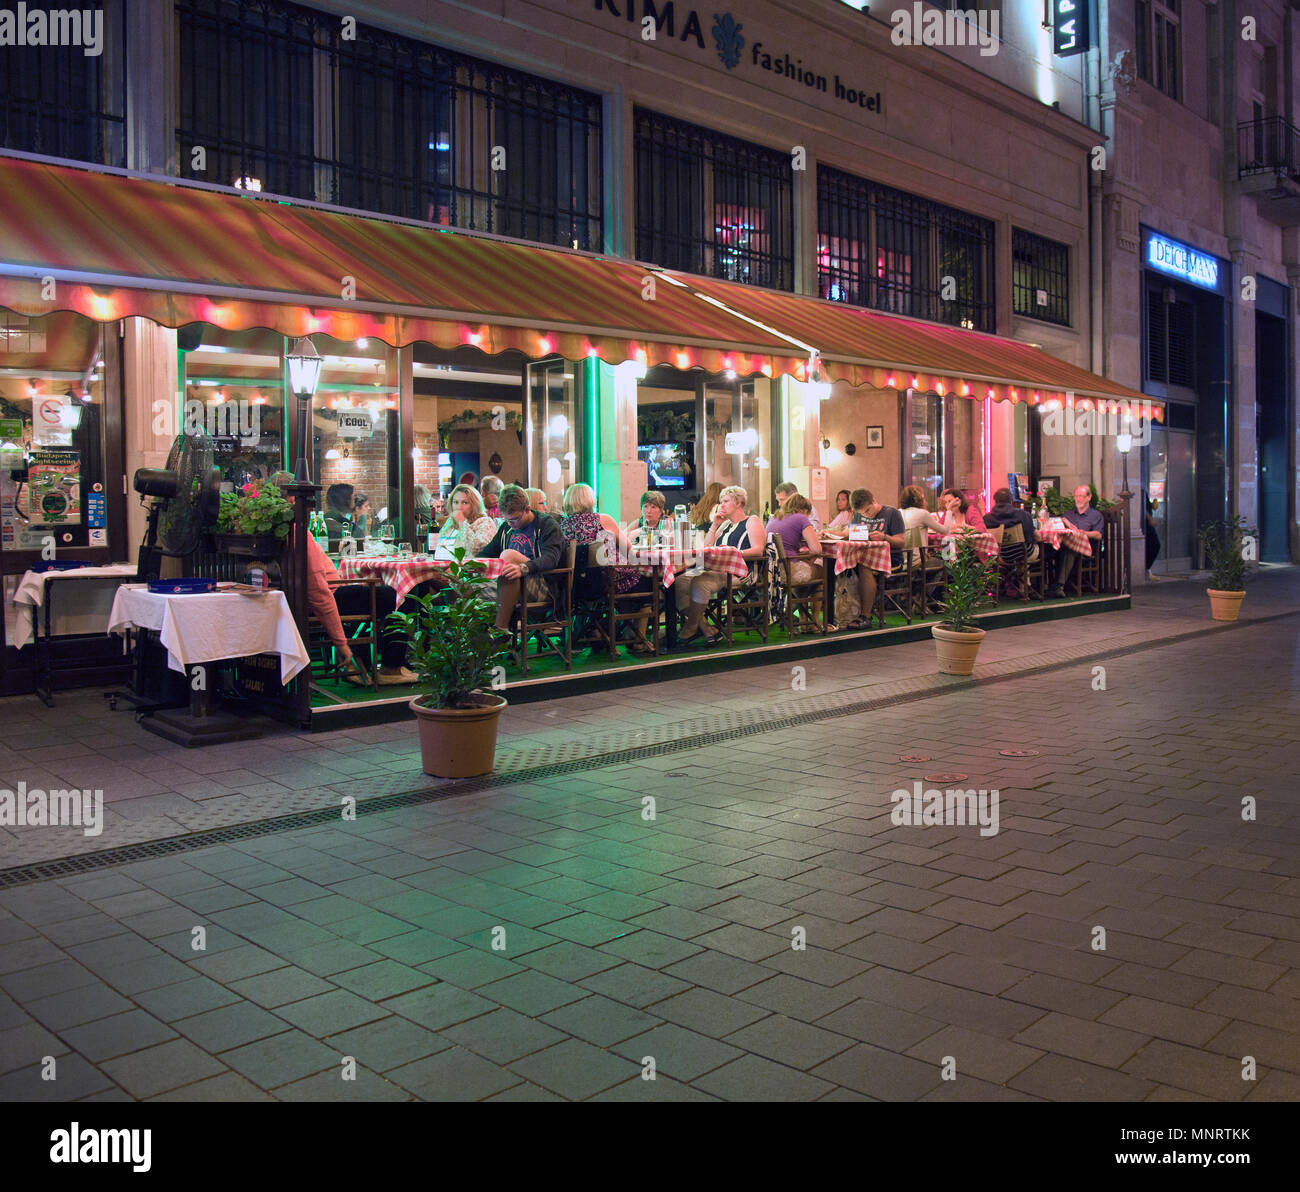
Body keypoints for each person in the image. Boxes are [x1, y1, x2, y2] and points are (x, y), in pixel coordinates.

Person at [270, 473, 416, 685]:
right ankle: (392, 666)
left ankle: (366, 660)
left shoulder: (280, 530)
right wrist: (341, 643)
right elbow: (319, 593)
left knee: (379, 593)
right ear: (293, 499)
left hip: (317, 596)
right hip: (331, 595)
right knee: (401, 595)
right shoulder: (297, 533)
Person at [559, 483, 655, 656]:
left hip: (575, 587)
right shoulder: (602, 519)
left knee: (628, 583)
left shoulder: (562, 525)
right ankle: (636, 638)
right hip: (605, 582)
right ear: (590, 500)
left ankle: (605, 632)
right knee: (646, 581)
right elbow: (629, 550)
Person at [675, 485, 766, 648]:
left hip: (741, 572)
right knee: (679, 581)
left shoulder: (751, 521)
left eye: (725, 501)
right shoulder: (725, 525)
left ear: (738, 503)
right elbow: (707, 547)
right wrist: (715, 524)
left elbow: (759, 550)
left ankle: (690, 628)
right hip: (717, 571)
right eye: (721, 502)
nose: (721, 505)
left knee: (699, 582)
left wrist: (732, 554)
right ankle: (706, 628)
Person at [477, 484, 566, 629]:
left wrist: (524, 568)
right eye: (507, 520)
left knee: (508, 556)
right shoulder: (506, 527)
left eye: (514, 520)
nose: (510, 524)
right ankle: (467, 640)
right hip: (510, 583)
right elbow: (486, 554)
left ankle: (500, 630)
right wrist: (471, 566)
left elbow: (551, 559)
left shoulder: (547, 524)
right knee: (463, 585)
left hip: (544, 584)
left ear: (527, 509)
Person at [844, 488, 905, 630]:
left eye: (868, 510)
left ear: (874, 501)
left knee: (864, 566)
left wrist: (884, 537)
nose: (866, 515)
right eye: (862, 513)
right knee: (842, 565)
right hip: (862, 555)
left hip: (890, 559)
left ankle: (865, 616)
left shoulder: (892, 513)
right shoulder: (858, 516)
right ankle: (844, 613)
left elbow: (901, 541)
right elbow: (851, 534)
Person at [1046, 485, 1104, 598]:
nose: (1078, 499)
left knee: (1068, 549)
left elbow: (1098, 535)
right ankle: (1047, 585)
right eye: (1076, 496)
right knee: (1050, 548)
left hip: (1085, 548)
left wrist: (1081, 533)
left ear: (1089, 497)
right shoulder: (1068, 514)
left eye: (1081, 496)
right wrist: (1064, 522)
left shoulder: (1096, 515)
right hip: (1065, 544)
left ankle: (1059, 586)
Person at [982, 487, 1037, 596]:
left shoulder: (987, 518)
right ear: (1011, 500)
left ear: (995, 501)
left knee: (1018, 553)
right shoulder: (1023, 514)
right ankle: (1026, 588)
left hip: (1001, 555)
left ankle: (1011, 585)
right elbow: (1030, 537)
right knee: (1035, 548)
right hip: (1023, 553)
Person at [766, 493, 824, 586]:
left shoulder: (773, 517)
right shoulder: (801, 518)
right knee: (824, 569)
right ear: (804, 510)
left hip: (771, 570)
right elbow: (817, 550)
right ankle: (815, 600)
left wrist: (804, 555)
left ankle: (798, 599)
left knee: (811, 567)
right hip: (789, 570)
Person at [437, 483, 498, 558]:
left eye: (465, 502)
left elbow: (477, 550)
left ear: (474, 504)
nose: (459, 507)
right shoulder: (451, 522)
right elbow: (440, 547)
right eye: (456, 502)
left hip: (472, 567)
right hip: (447, 564)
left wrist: (462, 523)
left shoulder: (485, 522)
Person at [898, 485, 948, 566]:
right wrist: (949, 509)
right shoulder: (922, 513)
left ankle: (920, 578)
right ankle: (927, 578)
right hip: (917, 562)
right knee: (945, 565)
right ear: (919, 499)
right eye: (924, 498)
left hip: (899, 562)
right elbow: (945, 530)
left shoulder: (898, 512)